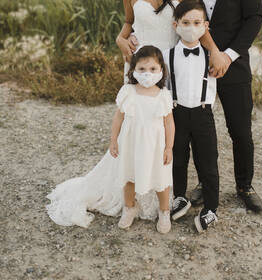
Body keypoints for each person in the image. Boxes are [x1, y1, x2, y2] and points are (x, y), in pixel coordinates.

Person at [180, 0, 262, 212]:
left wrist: (228, 55)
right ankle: (206, 183)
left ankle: (244, 185)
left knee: (240, 130)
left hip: (234, 64)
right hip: (193, 66)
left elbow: (255, 18)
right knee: (200, 132)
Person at [46, 46, 175, 234]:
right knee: (129, 176)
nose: (148, 74)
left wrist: (169, 147)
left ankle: (164, 211)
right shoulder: (129, 92)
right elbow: (118, 118)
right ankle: (130, 207)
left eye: (153, 69)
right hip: (130, 143)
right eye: (142, 69)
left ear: (161, 70)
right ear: (133, 71)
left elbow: (169, 123)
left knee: (160, 179)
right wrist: (113, 140)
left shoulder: (163, 95)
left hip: (155, 146)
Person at [163, 0, 219, 233]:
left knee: (207, 160)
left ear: (205, 26)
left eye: (196, 23)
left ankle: (211, 208)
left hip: (203, 113)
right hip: (176, 112)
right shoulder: (167, 54)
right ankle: (179, 196)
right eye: (185, 23)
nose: (191, 27)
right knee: (178, 157)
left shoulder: (211, 56)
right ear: (176, 25)